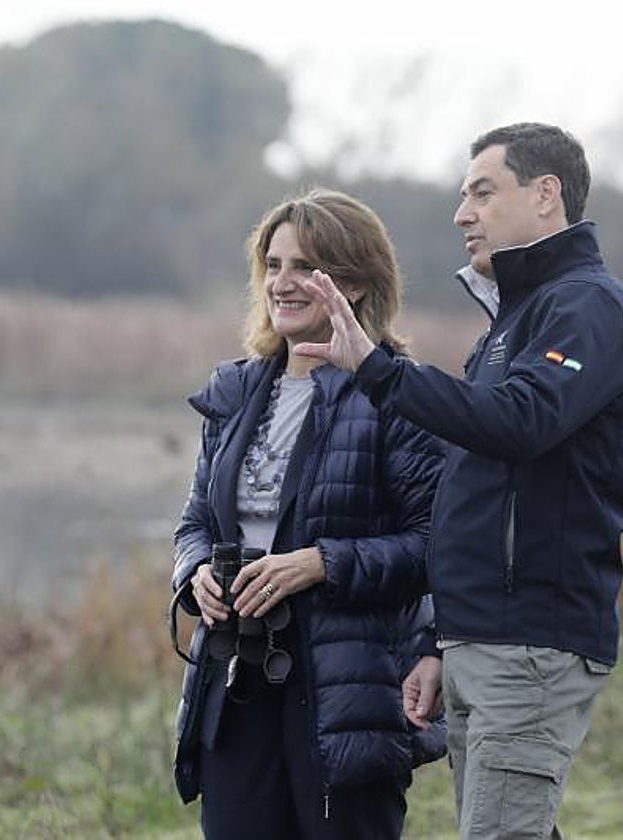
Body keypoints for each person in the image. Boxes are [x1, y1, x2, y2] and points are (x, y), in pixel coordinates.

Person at [293, 123, 623, 838]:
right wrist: (439, 643)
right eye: (464, 196)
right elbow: (478, 487)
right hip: (482, 639)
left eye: (483, 193)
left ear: (546, 195)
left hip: (530, 642)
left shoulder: (586, 308)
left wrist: (378, 370)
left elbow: (521, 419)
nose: (463, 213)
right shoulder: (512, 320)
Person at [170, 188, 446, 839]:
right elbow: (194, 524)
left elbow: (436, 546)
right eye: (273, 265)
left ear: (351, 282)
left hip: (345, 689)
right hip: (235, 679)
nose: (283, 283)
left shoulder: (396, 396)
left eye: (304, 267)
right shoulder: (235, 391)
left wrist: (322, 564)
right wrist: (195, 574)